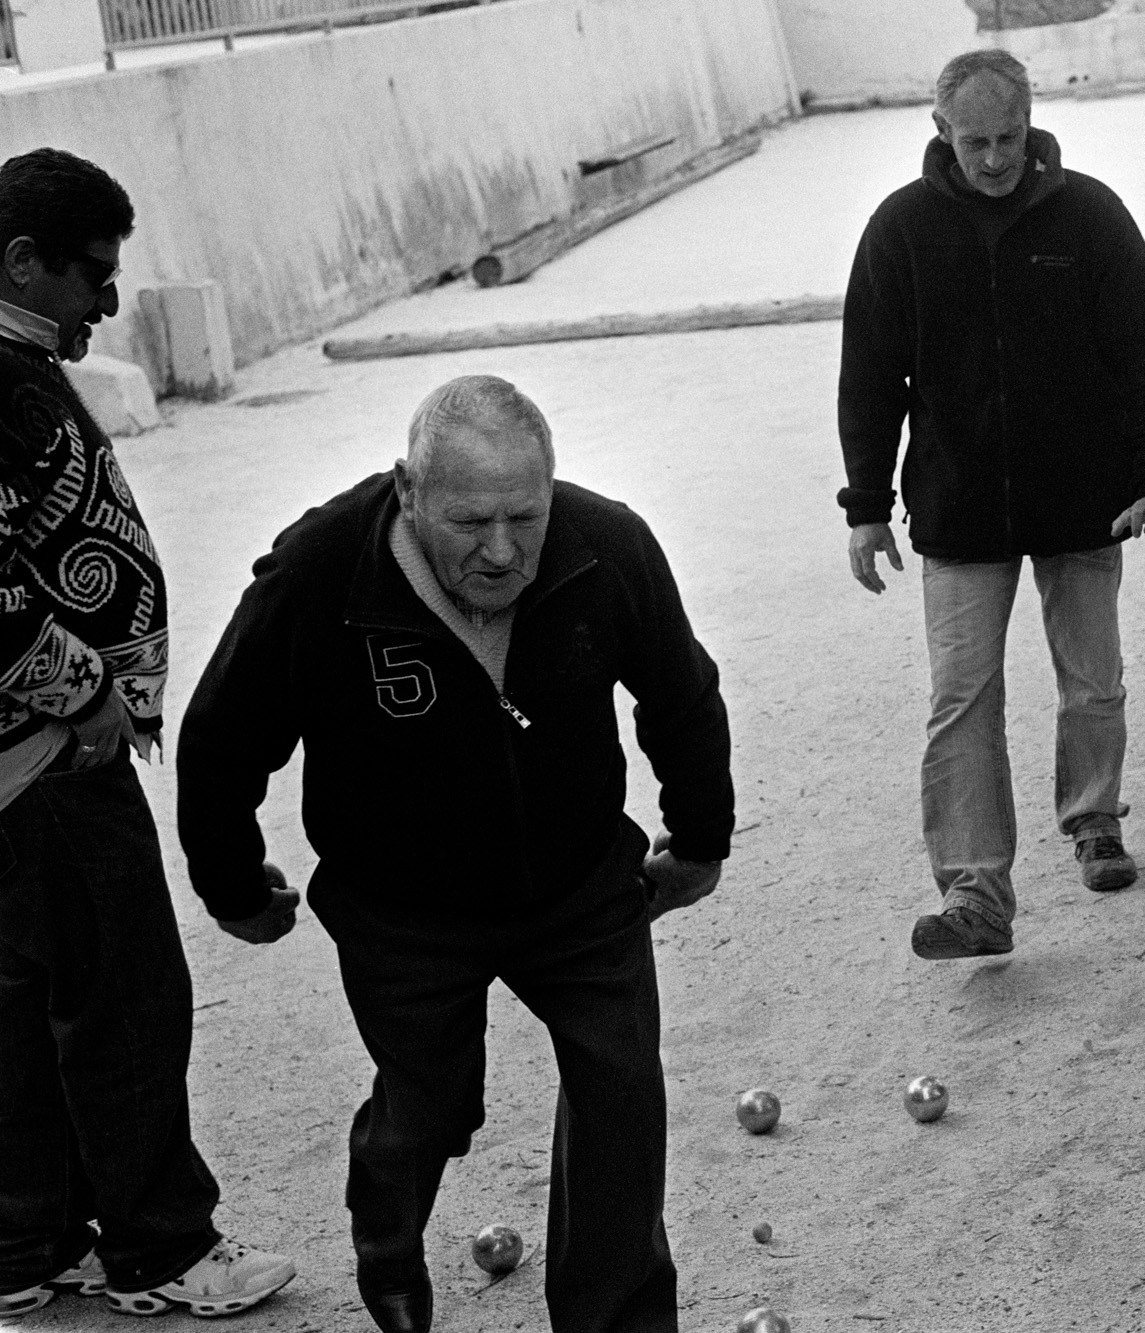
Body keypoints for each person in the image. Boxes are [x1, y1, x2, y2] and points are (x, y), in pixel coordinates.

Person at [176, 375, 733, 1333]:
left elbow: (682, 696)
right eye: (471, 520)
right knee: (431, 1105)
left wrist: (701, 839)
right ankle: (387, 1226)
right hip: (402, 905)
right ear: (408, 489)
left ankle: (616, 1319)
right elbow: (223, 735)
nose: (506, 549)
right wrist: (230, 884)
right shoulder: (322, 572)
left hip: (577, 883)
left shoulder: (608, 546)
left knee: (622, 1090)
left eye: (527, 513)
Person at [0, 147, 296, 1321]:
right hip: (46, 761)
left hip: (24, 767)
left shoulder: (18, 367)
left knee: (23, 1005)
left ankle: (24, 1246)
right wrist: (86, 693)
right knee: (123, 996)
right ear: (22, 260)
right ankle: (161, 1248)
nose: (106, 303)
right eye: (89, 276)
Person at [838, 49, 1145, 960]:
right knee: (960, 698)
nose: (995, 158)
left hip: (1086, 497)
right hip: (959, 507)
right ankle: (975, 893)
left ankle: (1094, 820)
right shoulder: (901, 231)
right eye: (975, 141)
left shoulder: (1092, 216)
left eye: (1007, 137)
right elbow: (871, 377)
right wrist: (866, 503)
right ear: (940, 132)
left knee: (1092, 678)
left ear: (1031, 122)